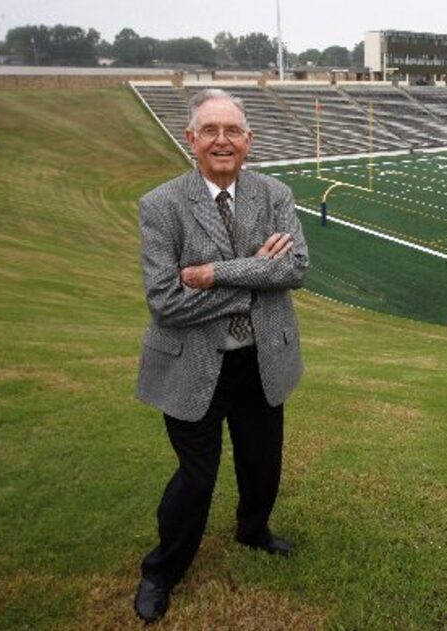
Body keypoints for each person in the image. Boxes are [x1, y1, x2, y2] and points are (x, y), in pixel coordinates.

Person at [133, 88, 308, 624]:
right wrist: (257, 276)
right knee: (197, 476)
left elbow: (294, 268)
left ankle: (253, 531)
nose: (222, 140)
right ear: (191, 139)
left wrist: (213, 274)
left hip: (260, 360)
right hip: (191, 363)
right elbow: (166, 301)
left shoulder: (275, 194)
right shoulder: (161, 205)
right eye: (210, 130)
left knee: (263, 464)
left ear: (248, 141)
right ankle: (161, 571)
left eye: (232, 130)